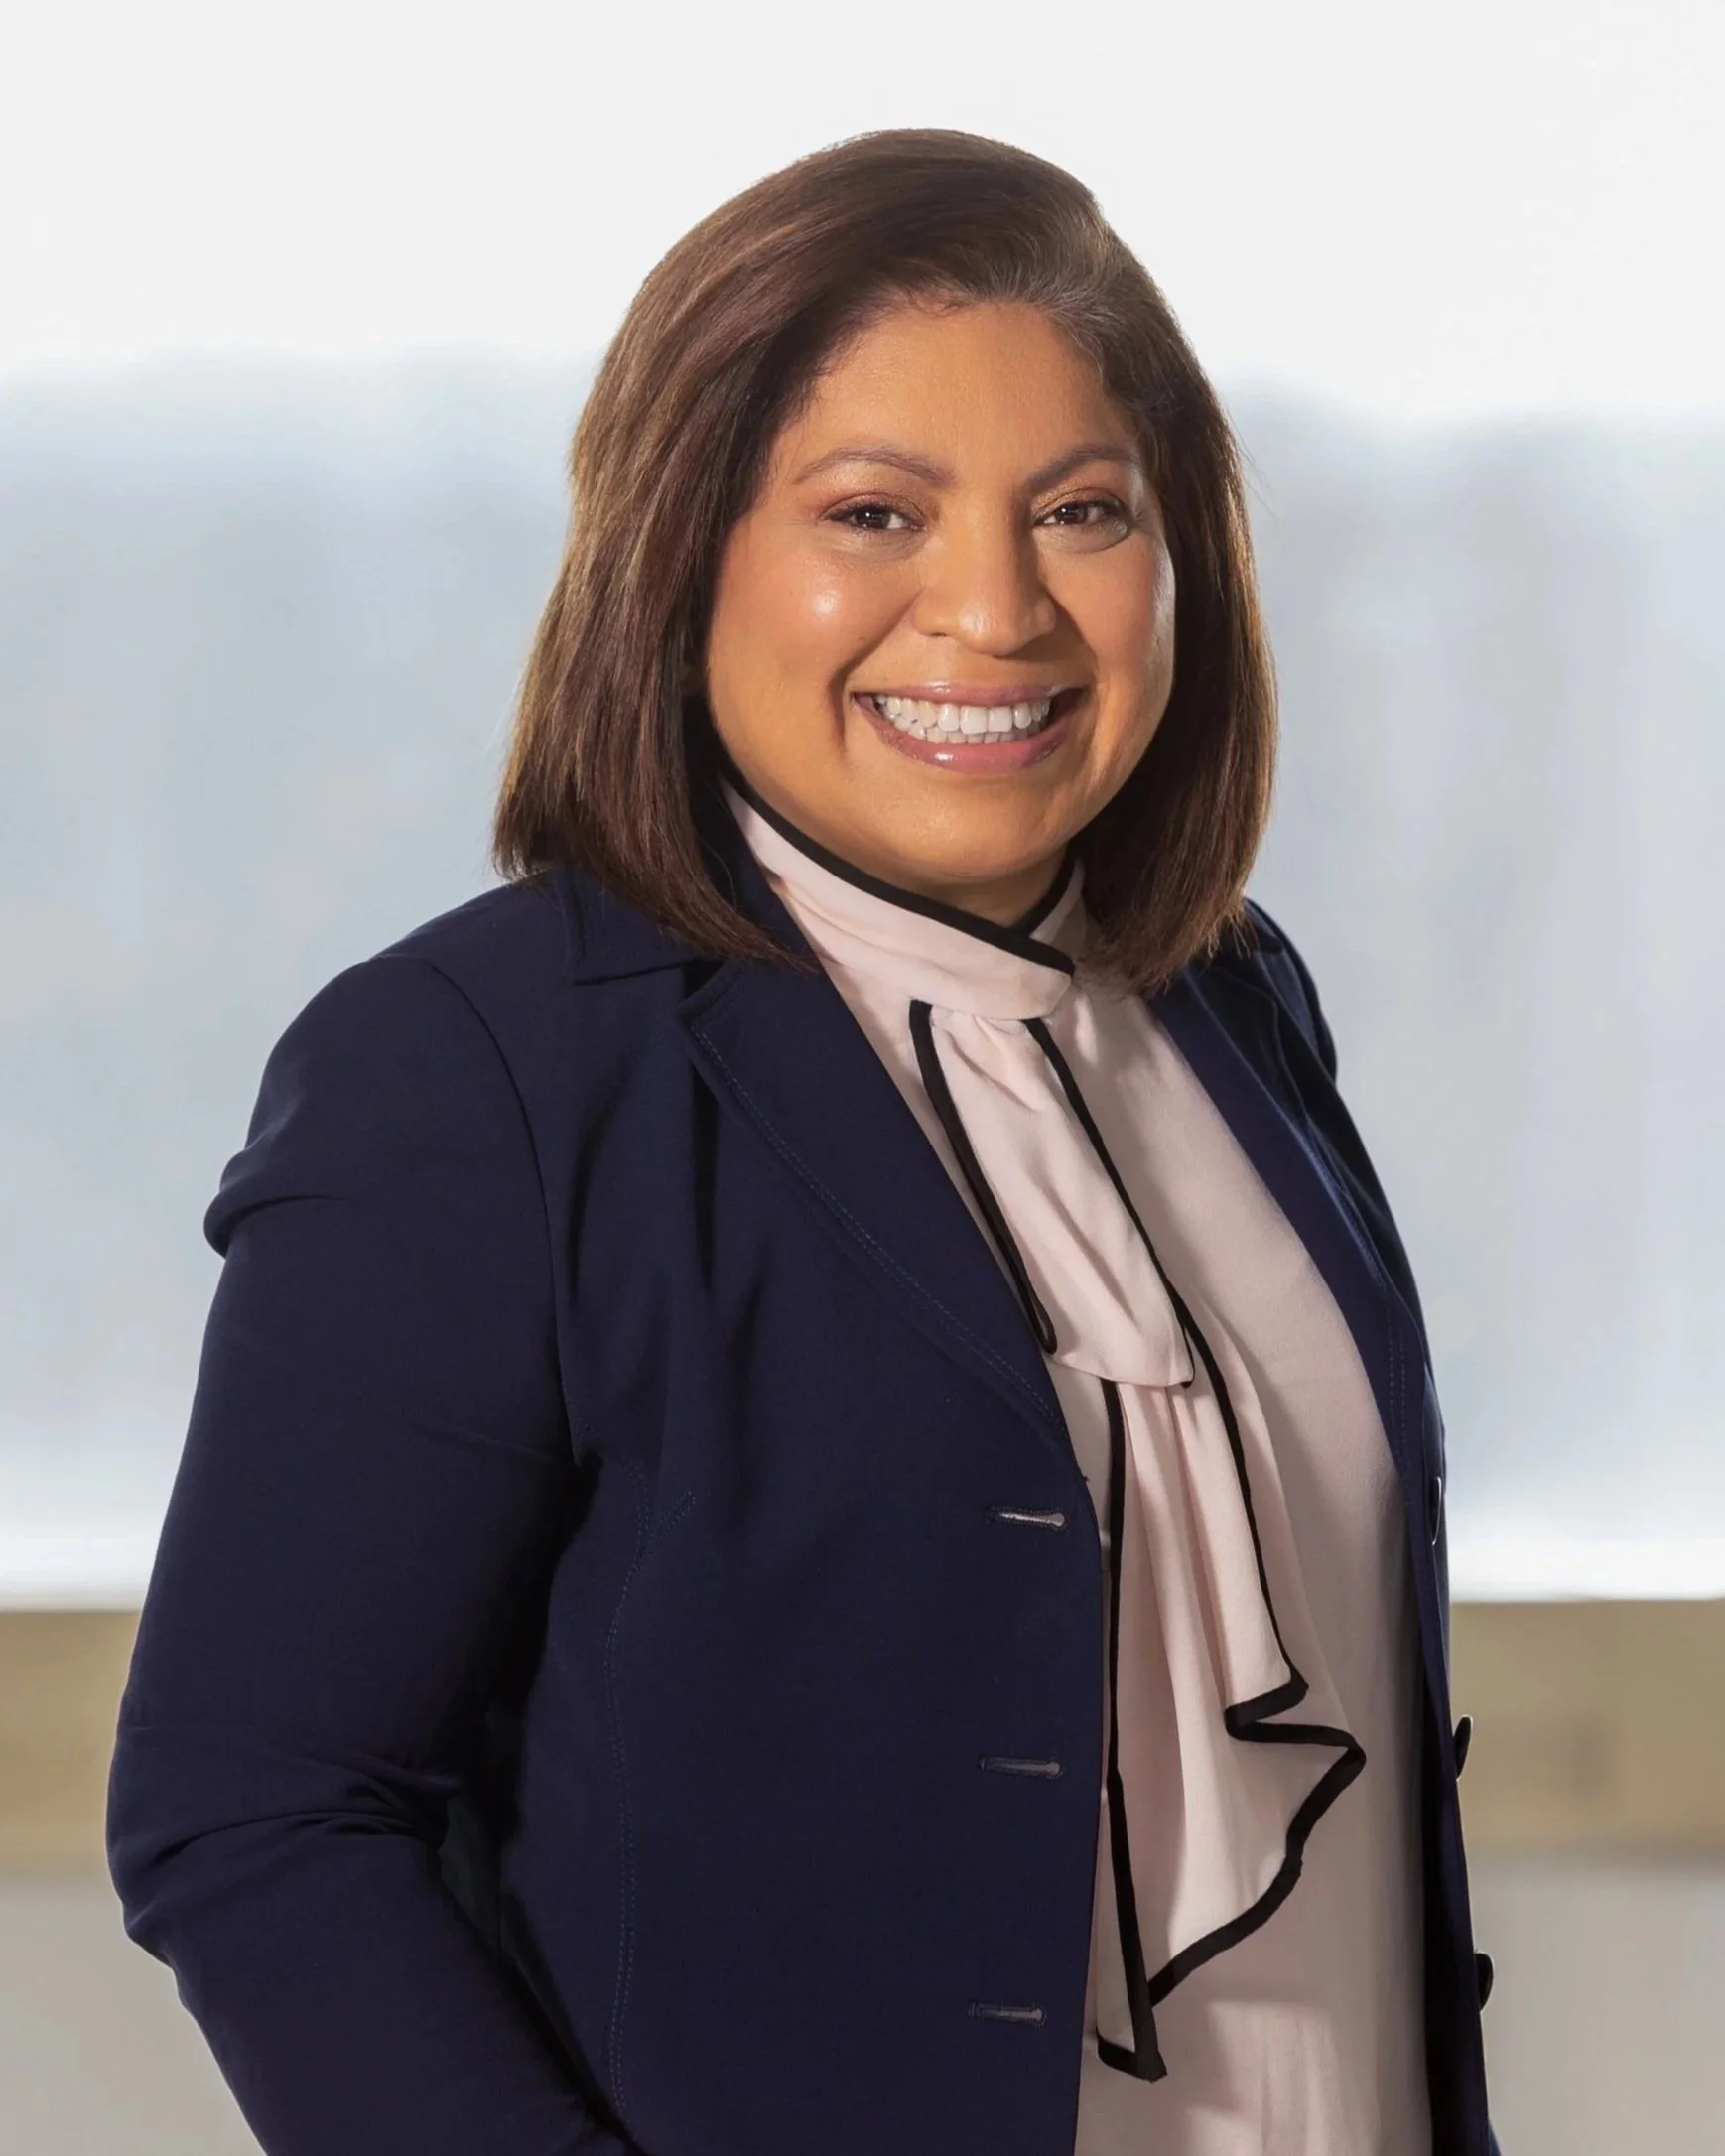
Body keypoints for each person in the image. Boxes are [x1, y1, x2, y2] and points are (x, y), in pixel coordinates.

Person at [106, 128, 1500, 2156]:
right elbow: (256, 1817)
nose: (993, 611)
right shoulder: (477, 1069)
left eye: (1080, 512)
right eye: (873, 512)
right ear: (683, 553)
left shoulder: (1230, 1000)